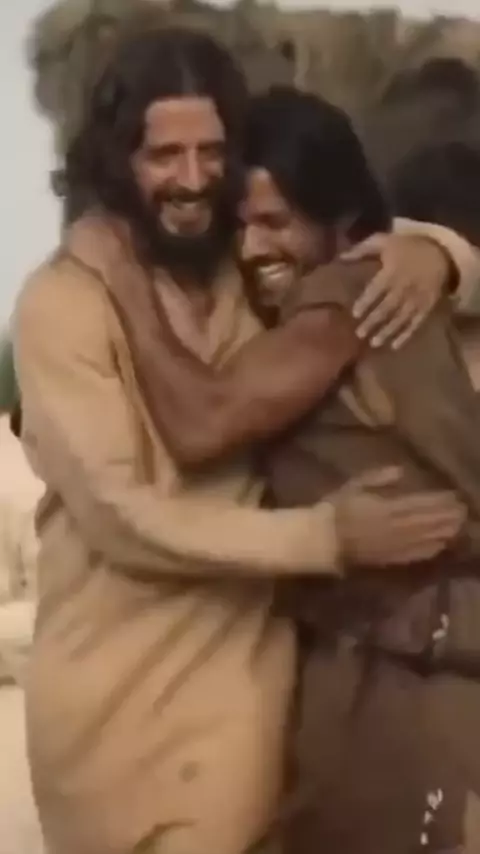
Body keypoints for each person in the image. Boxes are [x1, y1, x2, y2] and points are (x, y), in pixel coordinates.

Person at [13, 33, 469, 854]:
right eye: (164, 155)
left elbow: (342, 236)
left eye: (212, 153)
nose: (192, 179)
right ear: (116, 161)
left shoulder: (250, 268)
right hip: (111, 701)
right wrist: (323, 537)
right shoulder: (63, 302)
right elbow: (120, 514)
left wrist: (440, 253)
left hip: (253, 701)